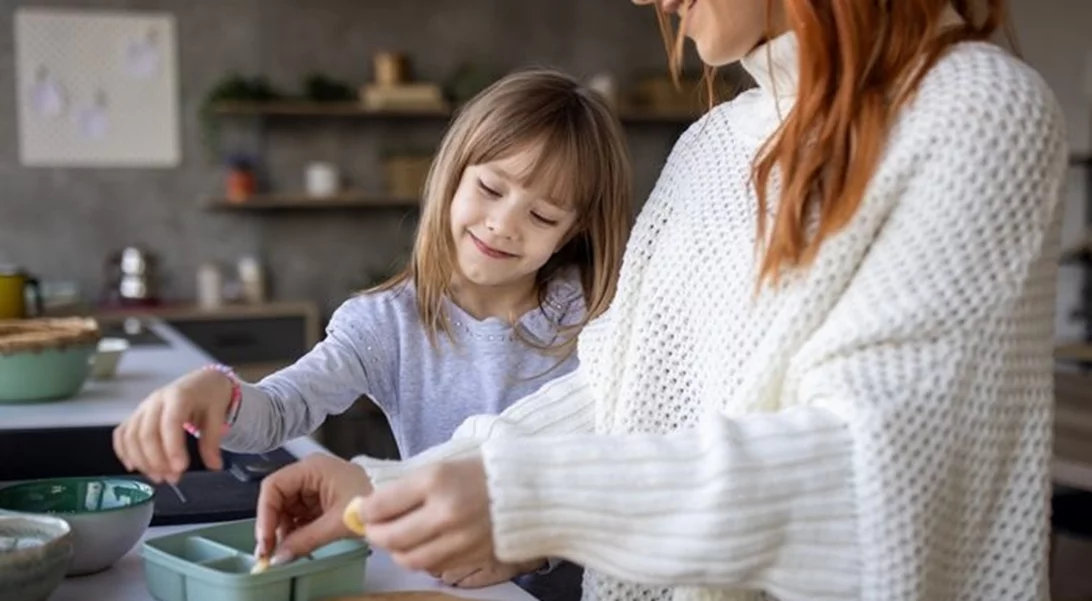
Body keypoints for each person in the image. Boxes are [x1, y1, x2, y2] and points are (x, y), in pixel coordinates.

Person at [253, 1, 1071, 600]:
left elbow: (883, 476)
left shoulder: (977, 111)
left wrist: (525, 499)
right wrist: (398, 486)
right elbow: (623, 393)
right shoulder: (712, 145)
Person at [112, 67, 634, 598]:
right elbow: (279, 410)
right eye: (490, 188)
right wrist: (214, 390)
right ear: (451, 175)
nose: (503, 223)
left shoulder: (602, 316)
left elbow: (632, 476)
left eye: (542, 216)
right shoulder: (385, 323)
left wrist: (535, 547)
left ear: (575, 231)